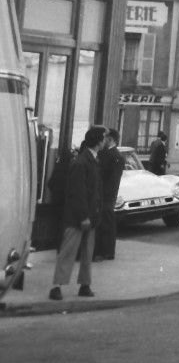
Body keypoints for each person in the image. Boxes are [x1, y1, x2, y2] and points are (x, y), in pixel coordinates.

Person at [50, 126, 105, 300]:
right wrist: (84, 216)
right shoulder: (81, 162)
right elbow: (77, 193)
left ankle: (84, 284)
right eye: (103, 138)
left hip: (88, 216)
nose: (105, 141)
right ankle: (57, 287)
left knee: (86, 253)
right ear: (98, 141)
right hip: (79, 218)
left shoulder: (91, 160)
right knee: (68, 252)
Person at [94, 128, 126, 260]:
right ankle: (105, 250)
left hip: (106, 196)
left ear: (110, 139)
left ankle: (106, 251)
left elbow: (112, 180)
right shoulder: (107, 154)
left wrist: (104, 194)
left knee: (106, 223)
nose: (103, 140)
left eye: (105, 138)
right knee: (105, 223)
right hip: (105, 195)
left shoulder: (115, 156)